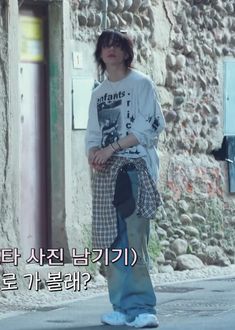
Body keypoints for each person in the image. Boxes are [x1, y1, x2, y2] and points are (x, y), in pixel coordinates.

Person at [85, 29, 166, 328]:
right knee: (111, 241)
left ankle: (143, 307)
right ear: (100, 52)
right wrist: (94, 154)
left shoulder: (141, 84)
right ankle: (120, 306)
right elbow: (92, 135)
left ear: (127, 51)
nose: (110, 49)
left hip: (134, 170)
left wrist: (112, 148)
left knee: (135, 239)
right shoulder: (98, 93)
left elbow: (152, 126)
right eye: (105, 45)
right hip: (107, 174)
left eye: (117, 45)